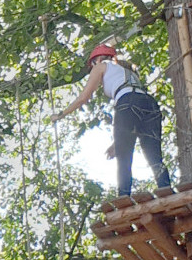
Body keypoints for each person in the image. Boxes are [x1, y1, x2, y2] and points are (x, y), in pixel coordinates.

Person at [52, 44, 172, 197]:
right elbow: (136, 115)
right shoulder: (128, 72)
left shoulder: (101, 66)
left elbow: (84, 98)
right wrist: (117, 142)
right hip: (149, 105)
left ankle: (124, 197)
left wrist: (61, 115)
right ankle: (166, 189)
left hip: (127, 103)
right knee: (154, 156)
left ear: (98, 59)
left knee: (124, 158)